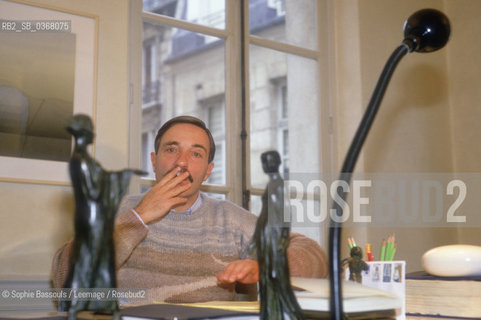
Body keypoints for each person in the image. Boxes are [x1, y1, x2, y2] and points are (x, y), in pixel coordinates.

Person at [52, 116, 328, 304]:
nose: (182, 163)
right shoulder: (113, 212)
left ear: (208, 171)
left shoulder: (231, 219)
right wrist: (138, 217)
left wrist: (266, 264)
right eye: (171, 150)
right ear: (154, 160)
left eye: (196, 153)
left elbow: (312, 254)